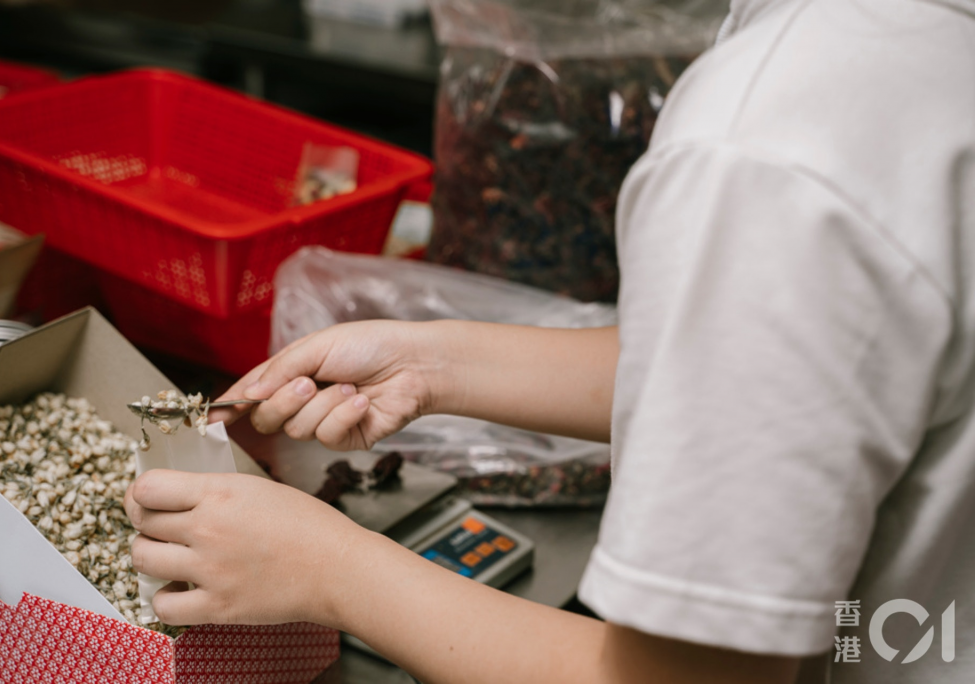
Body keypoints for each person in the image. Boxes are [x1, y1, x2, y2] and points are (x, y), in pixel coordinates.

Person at [122, 0, 975, 681]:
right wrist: (429, 363)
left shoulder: (768, 146)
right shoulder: (914, 44)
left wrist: (327, 570)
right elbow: (784, 377)